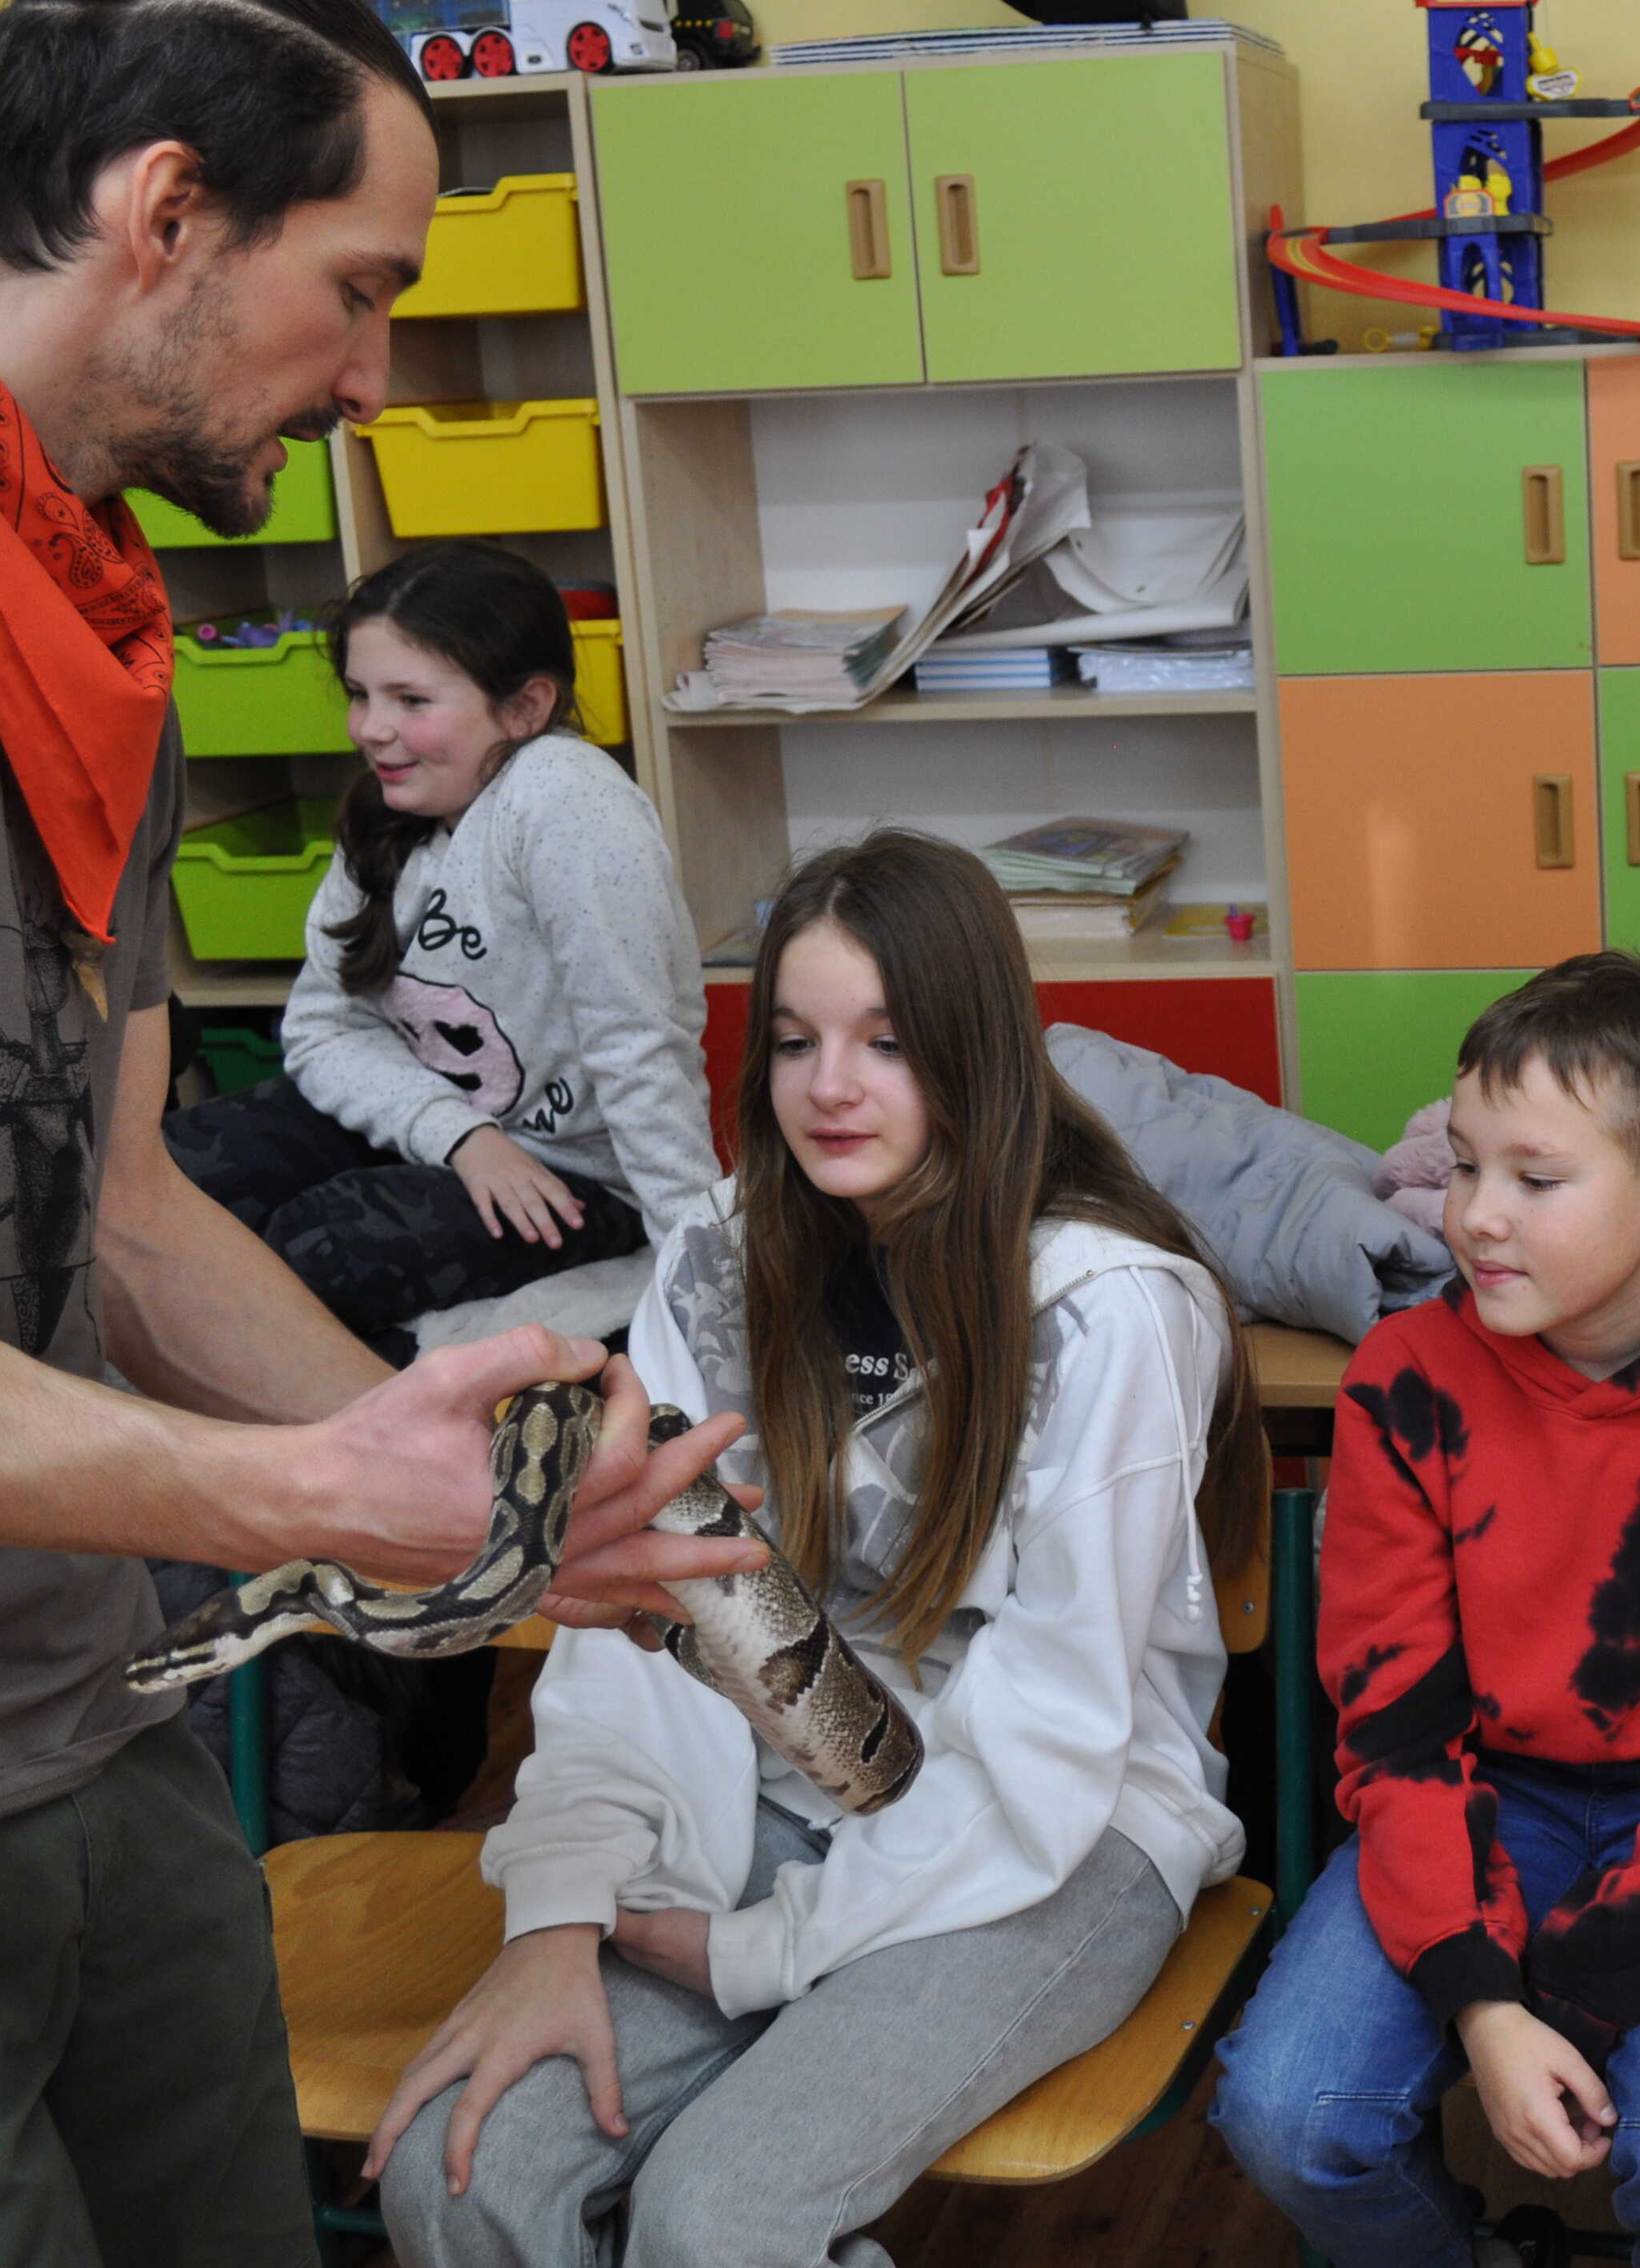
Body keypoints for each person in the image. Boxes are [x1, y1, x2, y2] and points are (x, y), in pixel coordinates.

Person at [0, 5, 749, 2261]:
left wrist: (483, 1515)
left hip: (80, 1716)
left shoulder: (82, 609)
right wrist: (299, 1495)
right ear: (167, 214)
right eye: (361, 289)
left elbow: (121, 1209)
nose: (376, 385)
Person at [373, 830, 1268, 2267]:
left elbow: (1052, 1738)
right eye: (793, 1040)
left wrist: (762, 1949)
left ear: (976, 1051)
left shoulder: (1111, 1309)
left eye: (886, 1042)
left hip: (1058, 1839)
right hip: (769, 1799)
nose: (830, 1085)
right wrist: (556, 1915)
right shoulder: (720, 1260)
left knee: (716, 2221)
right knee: (460, 2176)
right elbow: (643, 1625)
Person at [1211, 952, 1640, 2268]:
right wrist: (1483, 2002)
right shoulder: (1406, 1374)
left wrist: (1562, 1999)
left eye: (1534, 1179)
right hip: (1481, 1795)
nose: (1476, 1215)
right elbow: (1396, 1723)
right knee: (1289, 2115)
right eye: (1465, 1165)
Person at [166, 541, 717, 1359]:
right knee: (167, 1177)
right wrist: (459, 1136)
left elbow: (638, 1048)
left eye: (411, 699)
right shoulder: (391, 812)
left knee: (324, 1246)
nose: (372, 729)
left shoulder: (564, 798)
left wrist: (699, 1277)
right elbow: (321, 1031)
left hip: (574, 1178)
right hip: (446, 1127)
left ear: (525, 708)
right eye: (360, 695)